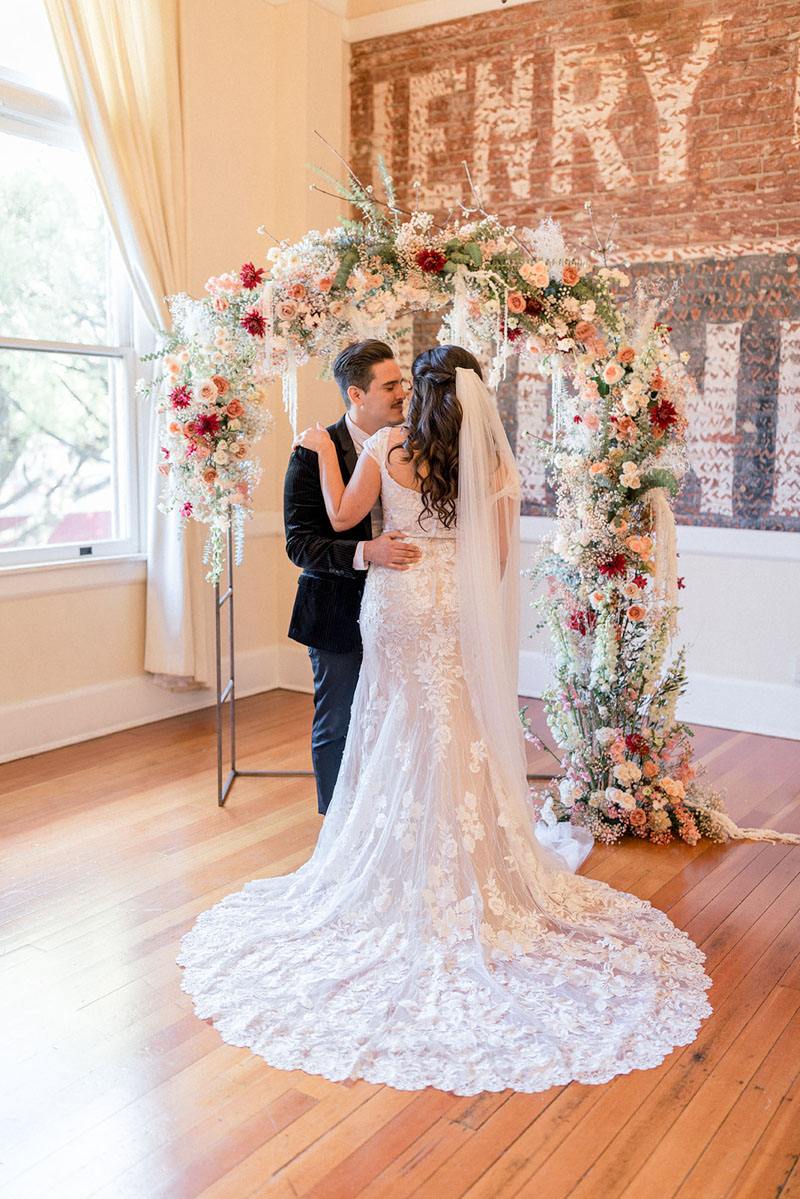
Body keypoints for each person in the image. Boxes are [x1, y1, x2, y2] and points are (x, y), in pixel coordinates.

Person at [179, 345, 711, 1095]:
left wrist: (322, 454)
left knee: (391, 723)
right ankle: (469, 865)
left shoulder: (386, 446)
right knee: (454, 724)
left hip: (396, 603)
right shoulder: (488, 465)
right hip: (451, 609)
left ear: (421, 395)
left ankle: (385, 859)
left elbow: (341, 517)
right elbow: (495, 565)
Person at [283, 339, 420, 814]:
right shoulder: (312, 452)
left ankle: (386, 823)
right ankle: (336, 829)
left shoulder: (414, 444)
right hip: (337, 612)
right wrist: (367, 551)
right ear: (356, 395)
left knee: (397, 720)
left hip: (404, 607)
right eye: (390, 386)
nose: (402, 393)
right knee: (339, 723)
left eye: (402, 382)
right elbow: (300, 545)